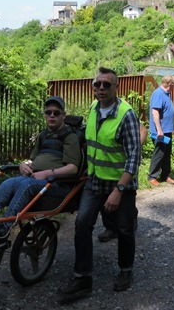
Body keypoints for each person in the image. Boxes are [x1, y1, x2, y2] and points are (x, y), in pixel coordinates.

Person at [59, 67, 142, 302]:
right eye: (98, 84)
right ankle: (82, 278)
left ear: (117, 87)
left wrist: (119, 190)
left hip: (120, 184)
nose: (102, 88)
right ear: (93, 87)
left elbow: (134, 157)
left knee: (125, 228)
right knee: (82, 224)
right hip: (95, 180)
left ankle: (126, 270)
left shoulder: (126, 115)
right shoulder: (94, 108)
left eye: (107, 84)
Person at [0, 96, 81, 241]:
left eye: (56, 113)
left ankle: (2, 229)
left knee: (26, 184)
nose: (51, 115)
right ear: (44, 114)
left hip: (57, 184)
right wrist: (24, 165)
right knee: (9, 182)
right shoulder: (43, 135)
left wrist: (47, 173)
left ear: (63, 115)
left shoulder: (70, 137)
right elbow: (33, 159)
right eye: (48, 112)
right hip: (35, 179)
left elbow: (73, 168)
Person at [148, 75, 174, 186]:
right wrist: (159, 130)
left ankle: (165, 175)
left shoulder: (166, 94)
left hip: (167, 130)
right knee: (159, 154)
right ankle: (152, 177)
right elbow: (155, 112)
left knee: (167, 154)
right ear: (170, 84)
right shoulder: (158, 94)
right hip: (160, 132)